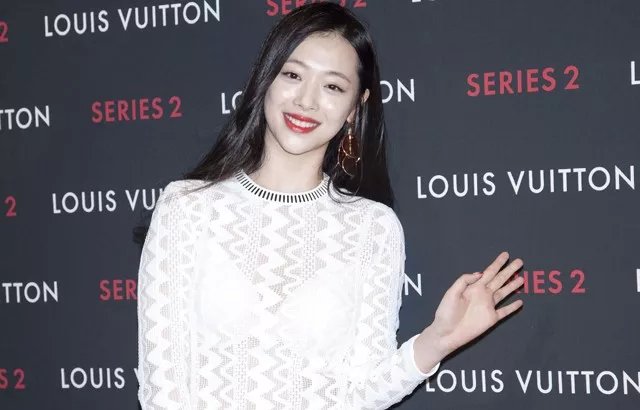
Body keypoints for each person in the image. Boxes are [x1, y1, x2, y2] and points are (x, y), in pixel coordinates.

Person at [136, 3, 525, 409]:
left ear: (355, 107)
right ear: (266, 79)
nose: (306, 100)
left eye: (333, 87)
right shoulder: (187, 208)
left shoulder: (372, 228)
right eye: (293, 75)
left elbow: (360, 394)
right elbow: (163, 388)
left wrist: (436, 342)